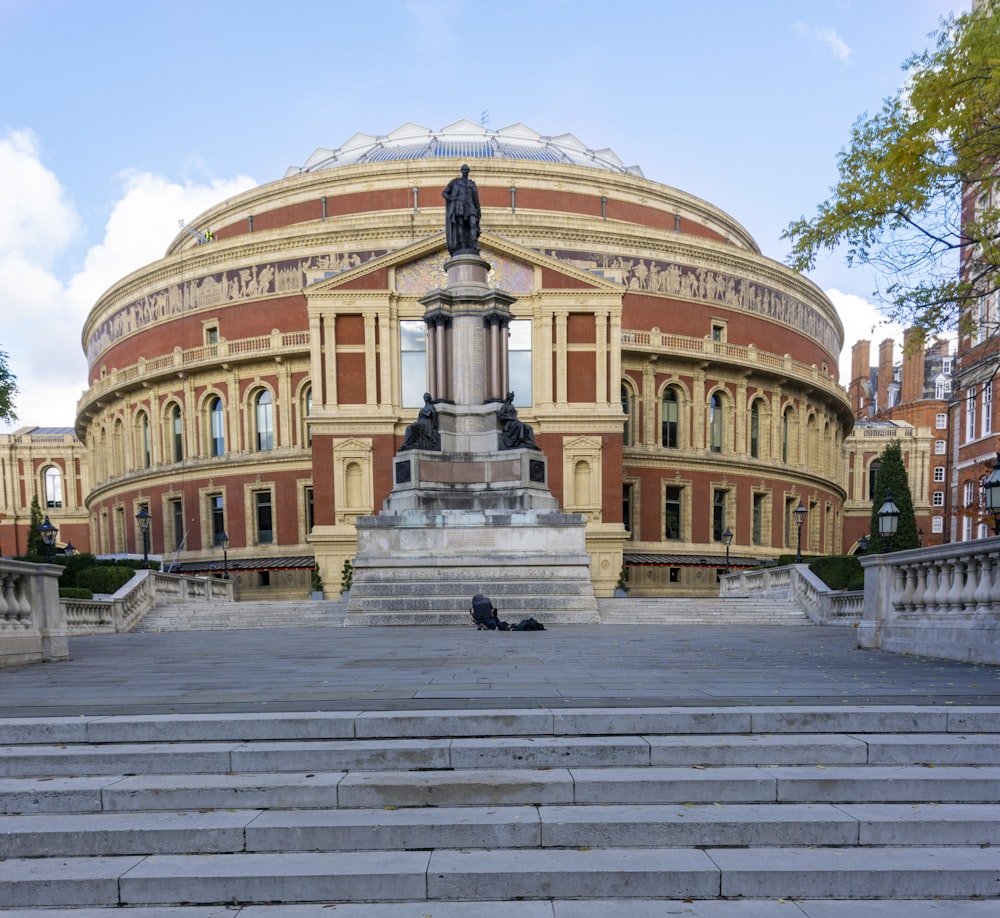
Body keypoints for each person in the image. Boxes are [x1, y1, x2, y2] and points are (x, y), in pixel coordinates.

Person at [442, 165, 481, 255]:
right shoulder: (455, 182)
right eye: (464, 170)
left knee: (473, 224)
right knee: (460, 225)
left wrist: (478, 210)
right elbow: (444, 193)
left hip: (470, 206)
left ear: (468, 171)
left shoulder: (472, 184)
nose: (465, 171)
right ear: (461, 171)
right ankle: (462, 243)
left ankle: (474, 243)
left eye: (466, 170)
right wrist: (451, 198)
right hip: (459, 206)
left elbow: (476, 200)